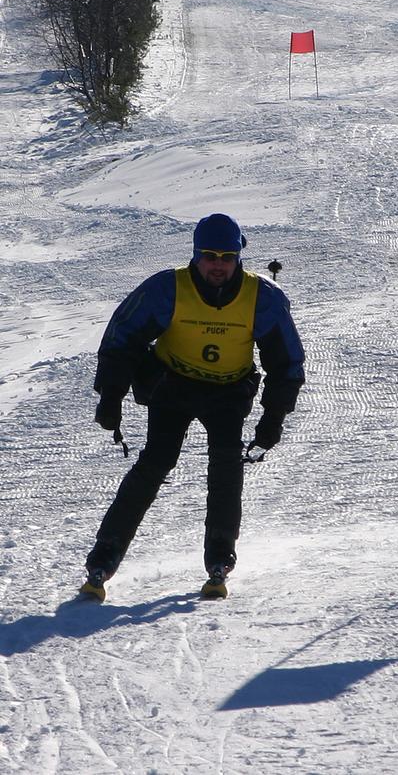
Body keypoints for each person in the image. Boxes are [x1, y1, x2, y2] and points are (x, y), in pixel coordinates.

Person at [81, 213, 305, 600]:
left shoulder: (262, 298)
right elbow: (122, 339)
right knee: (155, 462)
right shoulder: (167, 289)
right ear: (196, 255)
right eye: (210, 256)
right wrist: (111, 395)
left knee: (225, 464)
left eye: (227, 256)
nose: (218, 265)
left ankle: (219, 556)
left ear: (239, 257)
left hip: (228, 392)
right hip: (174, 385)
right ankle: (104, 557)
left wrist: (273, 420)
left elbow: (286, 364)